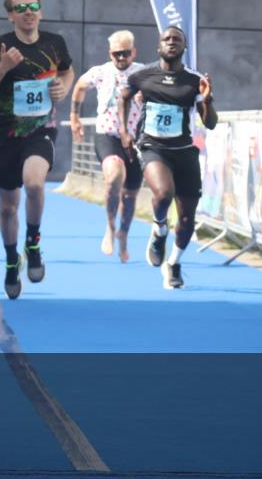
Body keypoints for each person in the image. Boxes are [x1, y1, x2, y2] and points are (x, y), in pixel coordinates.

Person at [0, 0, 74, 298]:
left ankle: (33, 241)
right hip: (6, 134)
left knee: (34, 183)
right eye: (21, 8)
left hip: (41, 130)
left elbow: (68, 71)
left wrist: (63, 88)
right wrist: (3, 67)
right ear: (11, 15)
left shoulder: (55, 43)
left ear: (40, 11)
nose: (28, 12)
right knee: (7, 207)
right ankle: (11, 259)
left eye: (33, 6)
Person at [119, 26, 217, 289]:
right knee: (163, 194)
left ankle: (173, 263)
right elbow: (123, 97)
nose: (171, 42)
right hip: (153, 146)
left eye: (177, 40)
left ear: (184, 48)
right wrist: (124, 132)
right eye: (167, 39)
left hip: (184, 152)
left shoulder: (195, 80)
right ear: (158, 46)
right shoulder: (143, 76)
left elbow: (211, 124)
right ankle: (159, 228)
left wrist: (207, 100)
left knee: (187, 219)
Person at [70, 30, 146, 262]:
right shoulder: (100, 72)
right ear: (109, 54)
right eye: (116, 54)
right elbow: (80, 87)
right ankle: (110, 226)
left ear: (133, 52)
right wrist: (75, 116)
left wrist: (146, 96)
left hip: (135, 139)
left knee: (130, 195)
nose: (121, 58)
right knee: (114, 175)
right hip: (107, 134)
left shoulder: (142, 72)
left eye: (125, 53)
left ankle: (123, 235)